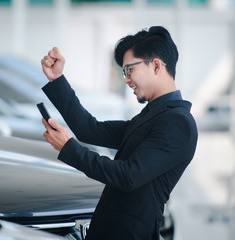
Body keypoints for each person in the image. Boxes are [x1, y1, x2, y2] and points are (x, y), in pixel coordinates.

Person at [40, 26, 198, 240]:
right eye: (124, 72)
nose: (126, 79)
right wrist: (57, 79)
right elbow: (90, 129)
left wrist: (70, 149)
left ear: (156, 65)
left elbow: (128, 176)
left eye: (129, 70)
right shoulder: (154, 115)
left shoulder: (178, 123)